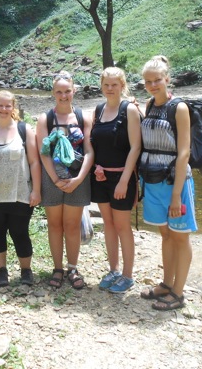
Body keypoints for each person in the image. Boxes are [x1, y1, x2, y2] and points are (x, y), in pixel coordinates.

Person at [139, 55, 197, 310]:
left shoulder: (180, 108)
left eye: (157, 80)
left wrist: (176, 195)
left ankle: (178, 293)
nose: (153, 85)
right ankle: (166, 282)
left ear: (167, 80)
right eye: (148, 81)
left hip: (176, 182)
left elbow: (184, 152)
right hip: (153, 179)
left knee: (180, 236)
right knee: (165, 234)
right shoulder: (150, 104)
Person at [0, 90, 41, 287]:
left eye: (8, 105)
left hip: (20, 191)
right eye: (0, 105)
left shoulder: (24, 129)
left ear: (13, 107)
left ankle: (26, 271)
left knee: (20, 232)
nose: (4, 109)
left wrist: (36, 190)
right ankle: (1, 271)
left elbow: (34, 162)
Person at [36, 71, 94, 290]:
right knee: (54, 225)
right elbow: (43, 153)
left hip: (77, 178)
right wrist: (55, 179)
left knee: (71, 225)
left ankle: (72, 267)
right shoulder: (45, 119)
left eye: (67, 91)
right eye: (59, 92)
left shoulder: (82, 117)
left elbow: (89, 151)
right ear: (53, 93)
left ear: (74, 91)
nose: (63, 96)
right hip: (52, 179)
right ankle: (57, 268)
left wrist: (79, 178)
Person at [90, 67, 141, 293]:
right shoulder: (98, 110)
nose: (110, 89)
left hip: (122, 176)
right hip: (101, 176)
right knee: (108, 225)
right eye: (106, 85)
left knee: (122, 226)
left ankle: (128, 275)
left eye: (114, 85)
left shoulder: (129, 110)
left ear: (122, 86)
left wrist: (124, 180)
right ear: (102, 86)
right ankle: (114, 269)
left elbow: (135, 147)